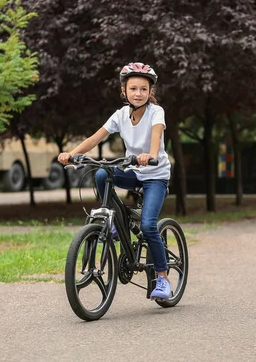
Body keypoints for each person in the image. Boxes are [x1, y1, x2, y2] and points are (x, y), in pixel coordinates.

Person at [58, 62, 172, 300]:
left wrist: (150, 156)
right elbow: (95, 138)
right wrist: (71, 154)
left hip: (155, 175)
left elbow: (156, 134)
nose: (138, 93)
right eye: (133, 89)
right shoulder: (120, 115)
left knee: (149, 226)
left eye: (143, 89)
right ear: (124, 91)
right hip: (133, 171)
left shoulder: (156, 112)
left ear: (150, 92)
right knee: (101, 173)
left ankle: (163, 278)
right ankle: (116, 221)